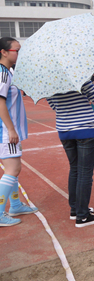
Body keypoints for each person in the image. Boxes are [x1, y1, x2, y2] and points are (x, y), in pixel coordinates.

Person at [47, 80, 94, 227]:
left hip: (64, 129)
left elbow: (54, 106)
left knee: (75, 169)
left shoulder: (48, 81)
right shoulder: (78, 76)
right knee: (85, 173)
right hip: (85, 128)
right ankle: (82, 215)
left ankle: (76, 209)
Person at [0, 37, 37, 227]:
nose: (19, 53)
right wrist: (11, 129)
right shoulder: (2, 74)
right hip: (5, 131)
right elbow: (0, 103)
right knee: (13, 169)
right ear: (4, 52)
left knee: (12, 169)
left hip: (6, 130)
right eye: (16, 50)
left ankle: (15, 204)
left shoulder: (8, 72)